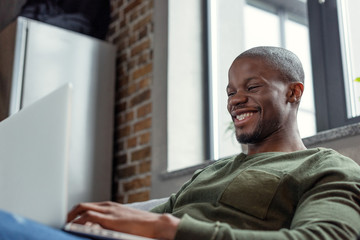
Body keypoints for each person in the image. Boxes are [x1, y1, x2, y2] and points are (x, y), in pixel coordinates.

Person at [1, 46, 360, 240]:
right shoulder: (215, 171)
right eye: (230, 91)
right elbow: (155, 217)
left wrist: (169, 229)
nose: (235, 100)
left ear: (294, 92)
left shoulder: (328, 168)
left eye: (252, 87)